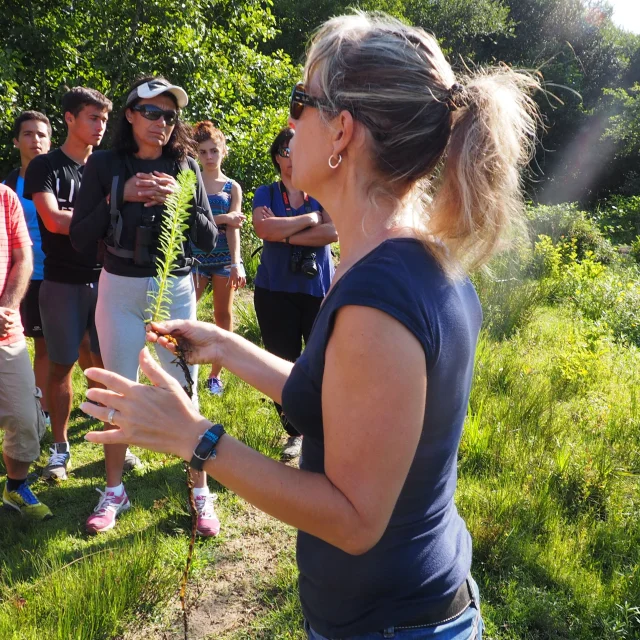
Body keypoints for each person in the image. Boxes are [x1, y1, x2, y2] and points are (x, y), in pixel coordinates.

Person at [80, 12, 540, 640]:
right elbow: (348, 403)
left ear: (341, 132)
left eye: (302, 100)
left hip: (390, 625)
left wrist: (195, 438)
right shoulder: (409, 258)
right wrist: (227, 346)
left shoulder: (378, 298)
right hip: (407, 611)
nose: (290, 119)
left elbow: (353, 520)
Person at [70, 76, 219, 535]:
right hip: (119, 291)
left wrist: (184, 203)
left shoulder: (186, 167)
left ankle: (199, 490)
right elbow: (78, 237)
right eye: (151, 112)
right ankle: (114, 491)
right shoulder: (106, 165)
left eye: (169, 116)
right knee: (117, 389)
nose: (161, 123)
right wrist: (122, 195)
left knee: (184, 390)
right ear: (131, 115)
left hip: (173, 291)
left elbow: (208, 239)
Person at [23, 87, 120, 482]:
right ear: (69, 118)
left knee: (109, 366)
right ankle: (60, 449)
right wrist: (104, 214)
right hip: (61, 281)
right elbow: (52, 221)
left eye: (104, 120)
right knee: (61, 367)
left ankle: (116, 441)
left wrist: (83, 219)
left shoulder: (109, 166)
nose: (100, 127)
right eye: (92, 118)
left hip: (109, 278)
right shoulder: (45, 167)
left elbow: (112, 222)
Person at [252, 127, 337, 459]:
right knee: (281, 364)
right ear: (277, 157)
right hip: (274, 292)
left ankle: (325, 430)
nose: (293, 159)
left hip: (317, 292)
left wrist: (284, 234)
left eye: (299, 151)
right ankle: (296, 433)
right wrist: (309, 220)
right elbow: (263, 228)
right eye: (286, 152)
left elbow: (333, 232)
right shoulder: (266, 193)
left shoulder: (323, 192)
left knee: (321, 362)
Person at [0, 184, 50, 519]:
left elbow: (23, 258)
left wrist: (7, 306)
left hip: (6, 331)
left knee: (27, 419)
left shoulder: (5, 197)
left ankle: (15, 488)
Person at [191, 121, 246, 396]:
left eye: (214, 150)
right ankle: (182, 367)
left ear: (224, 151)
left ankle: (215, 375)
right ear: (197, 154)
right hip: (196, 260)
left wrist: (237, 263)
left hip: (225, 259)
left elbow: (234, 229)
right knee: (186, 312)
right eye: (203, 152)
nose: (209, 157)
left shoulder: (232, 186)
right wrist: (223, 218)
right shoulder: (191, 181)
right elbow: (191, 221)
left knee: (222, 316)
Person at [4, 111, 52, 420]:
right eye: (28, 134)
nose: (35, 140)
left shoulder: (60, 179)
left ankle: (46, 408)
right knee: (24, 344)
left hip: (58, 273)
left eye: (41, 135)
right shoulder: (7, 186)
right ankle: (29, 408)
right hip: (20, 278)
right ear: (16, 141)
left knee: (59, 346)